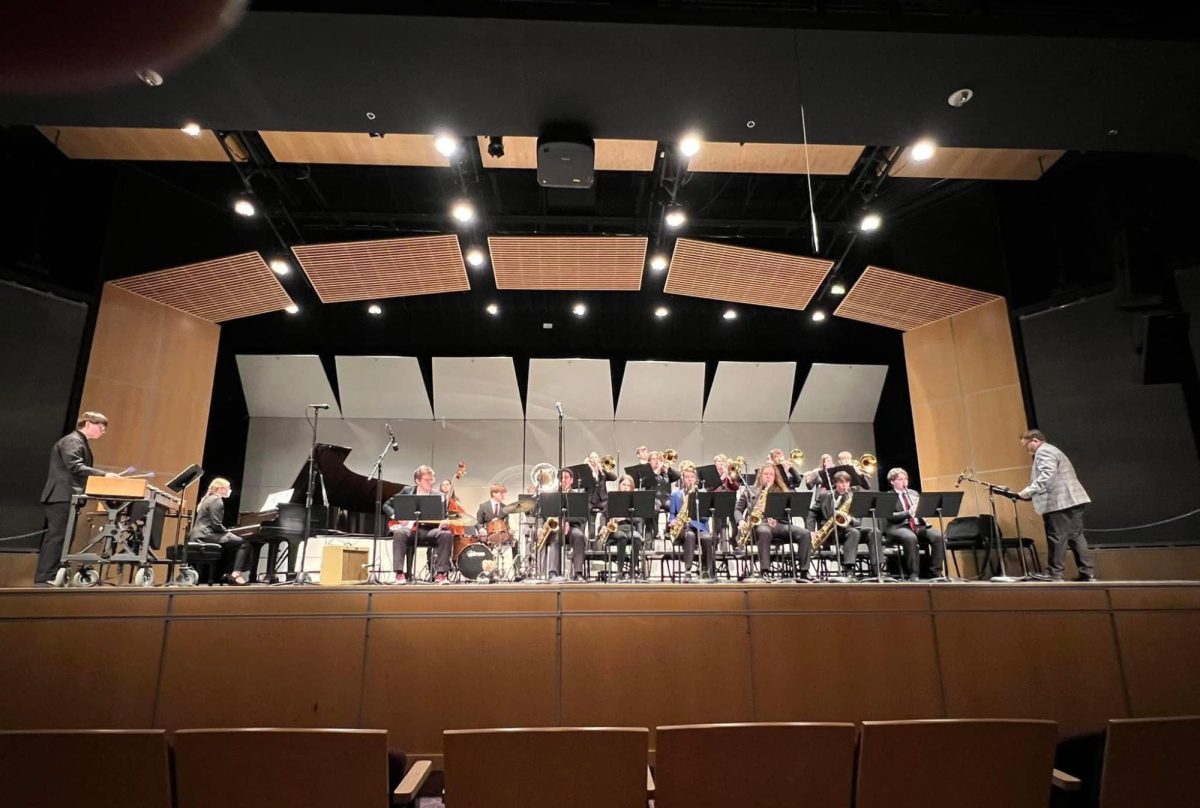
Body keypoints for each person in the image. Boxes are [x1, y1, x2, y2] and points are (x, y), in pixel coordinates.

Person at [36, 411, 116, 585]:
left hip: (67, 495)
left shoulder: (79, 441)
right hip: (61, 495)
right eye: (100, 427)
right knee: (57, 537)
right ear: (87, 424)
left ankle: (52, 574)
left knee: (63, 537)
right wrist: (104, 475)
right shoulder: (73, 440)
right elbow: (74, 465)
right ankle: (46, 576)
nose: (103, 431)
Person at [1018, 430, 1097, 582]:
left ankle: (1054, 574)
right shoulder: (1053, 450)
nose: (1027, 450)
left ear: (1034, 440)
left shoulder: (1044, 452)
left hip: (1060, 502)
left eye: (1027, 446)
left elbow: (1047, 476)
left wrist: (1028, 491)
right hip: (1074, 500)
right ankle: (1087, 573)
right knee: (1076, 536)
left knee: (1056, 537)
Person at [736, 464, 812, 580]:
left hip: (780, 525)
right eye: (766, 474)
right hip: (759, 525)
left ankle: (804, 571)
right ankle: (765, 571)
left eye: (771, 474)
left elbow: (789, 510)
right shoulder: (750, 490)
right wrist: (741, 521)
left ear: (775, 476)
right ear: (760, 476)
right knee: (764, 531)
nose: (768, 477)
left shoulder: (781, 490)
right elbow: (738, 509)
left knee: (805, 533)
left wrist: (776, 516)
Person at [384, 465, 453, 584]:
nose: (430, 482)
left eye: (432, 479)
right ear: (417, 481)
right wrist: (397, 517)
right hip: (410, 530)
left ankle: (441, 574)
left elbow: (443, 516)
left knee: (446, 535)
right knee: (400, 533)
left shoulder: (438, 495)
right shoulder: (407, 491)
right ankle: (399, 574)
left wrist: (444, 522)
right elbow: (386, 505)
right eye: (427, 480)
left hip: (429, 531)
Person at [884, 468, 946, 581]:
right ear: (892, 482)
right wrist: (908, 512)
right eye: (900, 479)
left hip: (918, 525)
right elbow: (891, 516)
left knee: (938, 535)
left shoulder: (913, 493)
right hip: (899, 526)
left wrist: (923, 510)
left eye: (906, 479)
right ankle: (914, 573)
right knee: (910, 537)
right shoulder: (888, 496)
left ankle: (935, 571)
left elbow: (921, 510)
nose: (904, 482)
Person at [190, 477, 253, 585]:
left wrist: (228, 533)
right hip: (207, 535)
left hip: (199, 534)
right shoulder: (216, 500)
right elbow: (216, 525)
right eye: (228, 488)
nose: (230, 490)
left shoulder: (207, 498)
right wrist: (228, 531)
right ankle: (236, 574)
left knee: (234, 543)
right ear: (220, 489)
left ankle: (228, 573)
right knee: (244, 543)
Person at [810, 471, 865, 578]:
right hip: (829, 532)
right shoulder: (824, 496)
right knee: (854, 532)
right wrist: (811, 531)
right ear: (835, 483)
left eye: (847, 482)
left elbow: (858, 520)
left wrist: (850, 519)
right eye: (841, 482)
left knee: (854, 532)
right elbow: (811, 512)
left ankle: (849, 568)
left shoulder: (853, 497)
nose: (844, 485)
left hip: (846, 530)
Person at [541, 468, 587, 581]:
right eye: (561, 478)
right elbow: (545, 515)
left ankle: (578, 573)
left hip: (573, 527)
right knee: (555, 538)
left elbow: (582, 517)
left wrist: (567, 521)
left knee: (579, 536)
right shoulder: (552, 495)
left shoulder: (578, 496)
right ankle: (553, 572)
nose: (564, 480)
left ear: (572, 480)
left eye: (566, 478)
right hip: (556, 528)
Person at [668, 465, 713, 582]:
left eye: (691, 477)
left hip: (699, 527)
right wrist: (672, 521)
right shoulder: (675, 495)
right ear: (682, 479)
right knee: (690, 536)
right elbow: (672, 515)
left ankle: (705, 569)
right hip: (683, 529)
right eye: (686, 477)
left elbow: (705, 518)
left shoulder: (702, 494)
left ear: (695, 479)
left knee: (707, 538)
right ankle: (687, 571)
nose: (689, 479)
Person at [603, 474, 644, 581]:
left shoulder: (634, 500)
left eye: (628, 485)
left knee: (636, 538)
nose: (625, 487)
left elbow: (639, 519)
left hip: (629, 528)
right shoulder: (612, 498)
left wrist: (625, 517)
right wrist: (605, 525)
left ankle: (632, 571)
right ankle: (619, 571)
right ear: (619, 485)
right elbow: (605, 514)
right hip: (616, 529)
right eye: (623, 484)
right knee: (621, 537)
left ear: (632, 487)